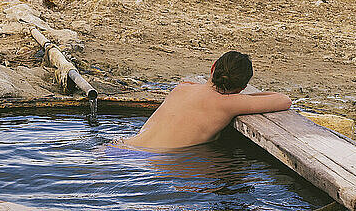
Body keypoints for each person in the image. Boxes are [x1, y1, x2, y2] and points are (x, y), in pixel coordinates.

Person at [123, 51, 291, 149]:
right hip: (152, 162)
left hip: (120, 148)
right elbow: (283, 100)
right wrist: (242, 96)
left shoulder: (182, 88)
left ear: (212, 68)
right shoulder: (229, 104)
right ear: (241, 88)